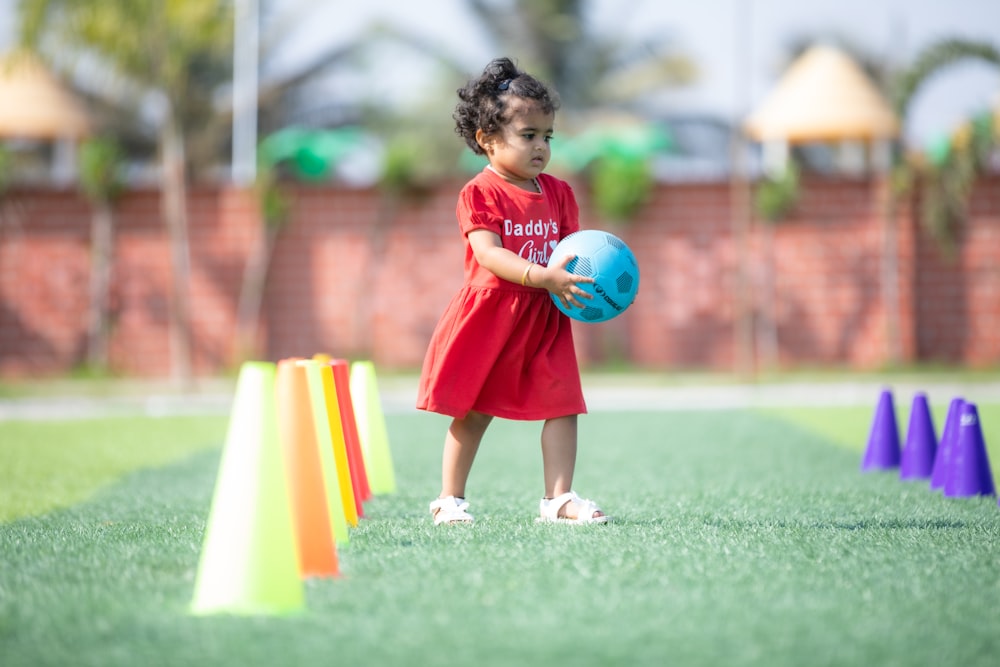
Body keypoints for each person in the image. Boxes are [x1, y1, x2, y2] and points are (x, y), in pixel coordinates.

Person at [416, 57, 609, 526]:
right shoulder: (479, 193)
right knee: (475, 411)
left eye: (548, 136)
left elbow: (572, 251)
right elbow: (489, 254)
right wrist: (541, 275)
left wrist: (588, 282)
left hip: (545, 317)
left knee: (563, 405)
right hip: (493, 318)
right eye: (529, 136)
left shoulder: (560, 193)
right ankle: (450, 499)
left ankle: (558, 499)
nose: (541, 146)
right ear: (486, 139)